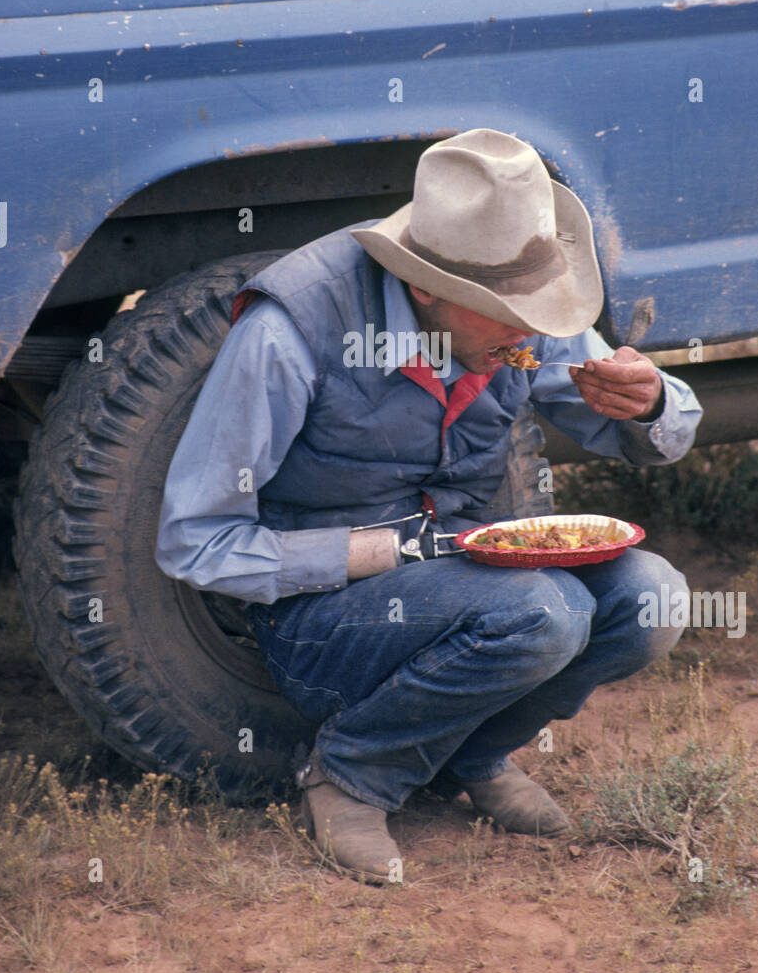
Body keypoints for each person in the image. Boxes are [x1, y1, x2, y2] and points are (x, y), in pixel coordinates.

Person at [156, 129, 703, 882]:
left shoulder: (510, 326)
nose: (534, 333)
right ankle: (350, 774)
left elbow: (653, 432)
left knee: (652, 598)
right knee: (543, 612)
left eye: (541, 310)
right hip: (326, 621)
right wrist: (383, 551)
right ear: (425, 288)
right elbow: (196, 541)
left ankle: (471, 753)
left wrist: (650, 403)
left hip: (471, 584)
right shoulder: (291, 333)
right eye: (509, 313)